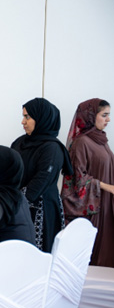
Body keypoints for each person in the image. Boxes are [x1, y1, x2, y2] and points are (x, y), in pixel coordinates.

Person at [11, 98, 73, 252]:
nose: (23, 122)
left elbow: (42, 179)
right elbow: (9, 168)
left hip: (42, 208)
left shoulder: (52, 148)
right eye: (23, 116)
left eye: (27, 117)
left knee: (39, 253)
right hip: (17, 206)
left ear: (41, 119)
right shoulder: (19, 143)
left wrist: (18, 202)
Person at [61, 99, 114, 267]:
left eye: (109, 116)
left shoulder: (101, 140)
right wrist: (107, 187)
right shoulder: (82, 142)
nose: (108, 120)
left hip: (106, 204)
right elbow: (78, 179)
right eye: (104, 115)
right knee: (95, 256)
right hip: (94, 208)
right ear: (91, 116)